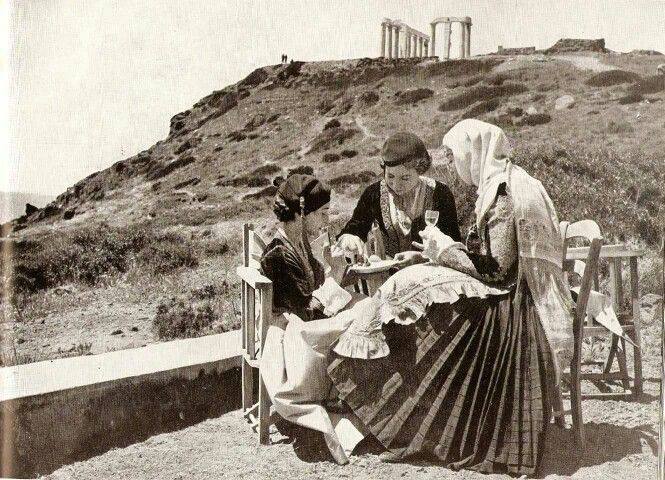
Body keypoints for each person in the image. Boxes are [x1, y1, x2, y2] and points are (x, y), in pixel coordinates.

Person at [327, 119, 574, 476]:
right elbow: (488, 257)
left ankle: (424, 424)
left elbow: (496, 269)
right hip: (512, 290)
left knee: (438, 325)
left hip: (512, 304)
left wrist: (442, 251)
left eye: (457, 157)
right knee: (423, 309)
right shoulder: (504, 182)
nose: (456, 167)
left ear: (474, 154)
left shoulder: (500, 193)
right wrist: (439, 253)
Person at [258, 173, 370, 465]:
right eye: (322, 214)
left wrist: (335, 271)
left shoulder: (300, 244)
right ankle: (357, 399)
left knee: (366, 307)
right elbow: (308, 313)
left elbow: (315, 295)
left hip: (304, 328)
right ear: (302, 212)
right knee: (365, 314)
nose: (326, 220)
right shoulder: (280, 254)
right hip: (293, 344)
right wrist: (334, 277)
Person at [336, 132, 461, 260]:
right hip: (392, 273)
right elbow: (356, 226)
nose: (396, 185)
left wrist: (422, 257)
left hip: (433, 269)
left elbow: (453, 243)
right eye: (390, 176)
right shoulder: (373, 194)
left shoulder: (440, 193)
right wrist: (350, 236)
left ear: (420, 171)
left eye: (405, 178)